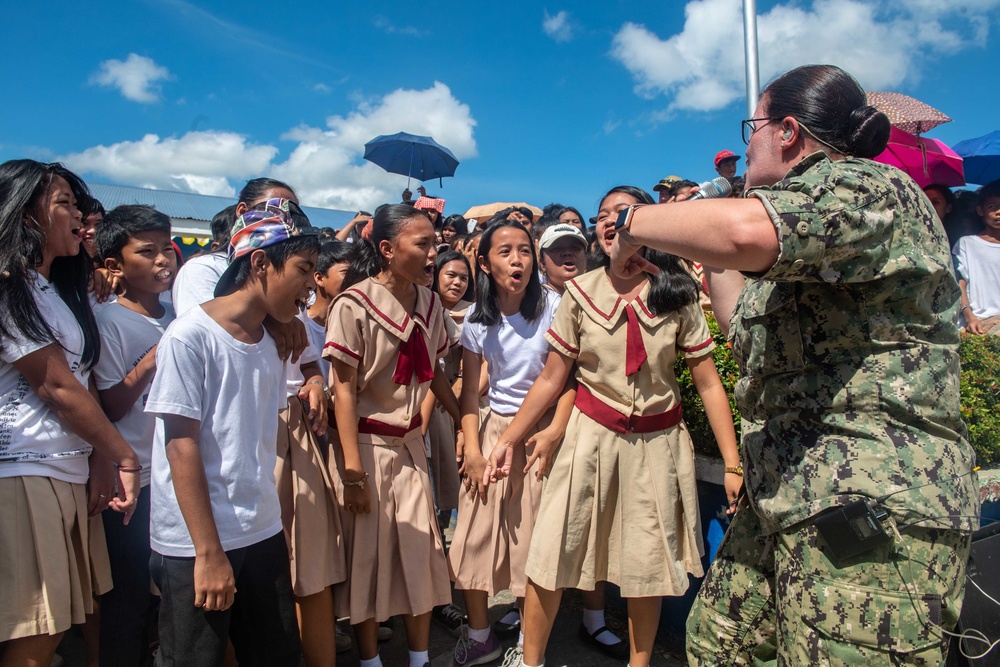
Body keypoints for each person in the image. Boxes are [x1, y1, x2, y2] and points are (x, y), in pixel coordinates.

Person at [610, 64, 980, 665]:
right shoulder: (799, 233)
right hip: (788, 495)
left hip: (867, 505)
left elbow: (740, 230)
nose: (747, 142)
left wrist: (632, 224)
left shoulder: (868, 187)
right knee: (719, 643)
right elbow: (739, 327)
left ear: (785, 130)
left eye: (751, 126)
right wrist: (692, 256)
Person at [488, 186, 740, 667]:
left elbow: (708, 383)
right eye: (603, 215)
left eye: (623, 213)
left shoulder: (678, 293)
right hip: (589, 438)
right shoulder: (580, 292)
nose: (610, 222)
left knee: (646, 564)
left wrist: (731, 462)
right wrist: (509, 437)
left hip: (658, 444)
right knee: (552, 553)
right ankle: (530, 659)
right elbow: (552, 376)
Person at [146, 199, 320, 667]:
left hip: (260, 530)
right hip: (197, 541)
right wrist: (207, 552)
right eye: (303, 269)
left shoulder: (271, 340)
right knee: (192, 657)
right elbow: (180, 445)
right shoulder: (190, 336)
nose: (311, 285)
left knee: (276, 653)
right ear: (260, 262)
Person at [0, 160, 141, 667]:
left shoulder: (55, 289)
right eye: (64, 204)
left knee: (51, 630)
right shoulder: (8, 283)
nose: (80, 217)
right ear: (24, 213)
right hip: (23, 472)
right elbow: (55, 384)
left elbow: (77, 380)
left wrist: (98, 457)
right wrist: (124, 455)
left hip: (62, 470)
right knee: (35, 635)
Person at [325, 204, 461, 667]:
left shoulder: (429, 301)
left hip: (409, 448)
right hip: (366, 447)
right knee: (369, 558)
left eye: (434, 243)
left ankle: (420, 658)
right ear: (386, 249)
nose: (433, 254)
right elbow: (343, 392)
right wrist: (352, 474)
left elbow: (435, 372)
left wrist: (464, 421)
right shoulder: (353, 304)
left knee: (422, 552)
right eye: (422, 244)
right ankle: (369, 660)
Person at [92, 204, 178, 666]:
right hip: (133, 480)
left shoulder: (180, 315)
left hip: (173, 474)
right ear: (115, 267)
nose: (163, 259)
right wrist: (155, 358)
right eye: (147, 251)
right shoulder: (109, 322)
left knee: (165, 595)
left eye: (167, 247)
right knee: (129, 598)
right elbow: (108, 405)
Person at [172, 178, 296, 317]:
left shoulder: (287, 271)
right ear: (243, 211)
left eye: (294, 214)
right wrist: (275, 322)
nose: (286, 221)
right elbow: (206, 324)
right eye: (274, 210)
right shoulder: (203, 268)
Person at [953, 179, 1000, 335]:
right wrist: (969, 315)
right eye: (992, 206)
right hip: (978, 323)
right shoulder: (967, 244)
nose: (998, 212)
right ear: (981, 210)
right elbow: (960, 283)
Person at [537, 223, 588, 294]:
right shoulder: (534, 302)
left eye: (575, 248)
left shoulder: (601, 297)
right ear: (542, 263)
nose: (567, 252)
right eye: (556, 249)